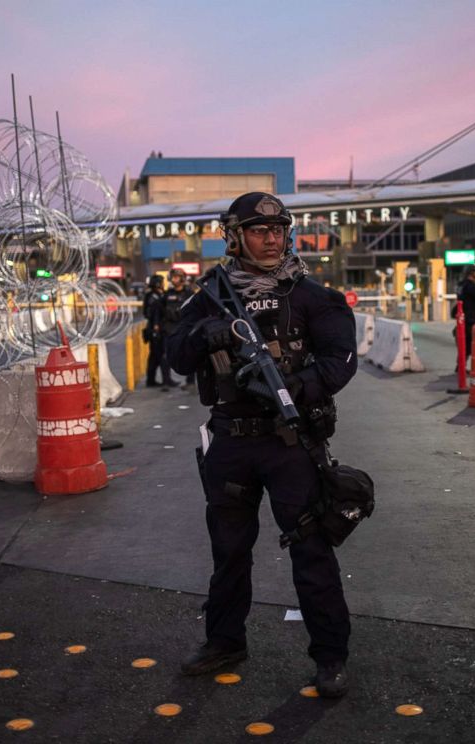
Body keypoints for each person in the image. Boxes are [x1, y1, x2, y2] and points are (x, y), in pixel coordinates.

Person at [167, 192, 357, 698]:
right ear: (235, 236)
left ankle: (330, 656)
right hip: (231, 440)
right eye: (258, 230)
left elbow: (341, 359)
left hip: (289, 441)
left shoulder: (309, 294)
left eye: (277, 230)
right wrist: (206, 333)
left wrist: (298, 386)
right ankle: (224, 642)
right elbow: (175, 353)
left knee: (311, 549)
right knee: (229, 551)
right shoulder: (211, 294)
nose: (271, 239)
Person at [161, 267, 196, 390]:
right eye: (173, 277)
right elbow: (161, 311)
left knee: (189, 354)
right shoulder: (167, 294)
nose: (174, 280)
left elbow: (194, 311)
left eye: (177, 277)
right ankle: (166, 381)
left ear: (182, 279)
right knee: (166, 356)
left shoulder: (189, 293)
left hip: (185, 329)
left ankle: (190, 382)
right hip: (169, 329)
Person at [143, 274, 174, 388]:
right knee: (159, 356)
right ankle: (162, 380)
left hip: (159, 328)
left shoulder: (157, 295)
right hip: (155, 329)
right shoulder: (152, 296)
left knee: (156, 356)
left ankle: (156, 380)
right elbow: (149, 313)